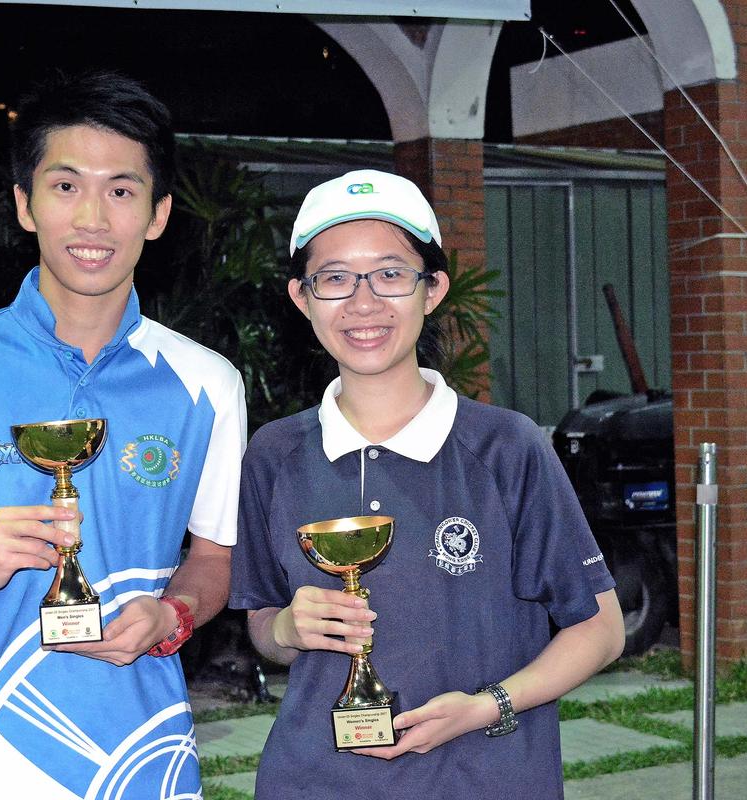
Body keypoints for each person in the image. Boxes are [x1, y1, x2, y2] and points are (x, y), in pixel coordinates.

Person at [0, 71, 246, 800]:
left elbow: (213, 561)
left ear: (157, 215)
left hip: (141, 752)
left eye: (122, 191)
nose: (93, 217)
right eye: (66, 187)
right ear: (25, 205)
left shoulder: (206, 383)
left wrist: (171, 613)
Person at [230, 169, 624, 799]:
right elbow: (262, 620)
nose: (363, 304)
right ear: (302, 297)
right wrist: (284, 630)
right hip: (315, 780)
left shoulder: (506, 447)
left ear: (432, 289)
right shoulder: (273, 453)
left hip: (485, 778)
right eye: (334, 278)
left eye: (390, 274)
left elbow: (600, 628)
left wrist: (487, 704)